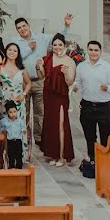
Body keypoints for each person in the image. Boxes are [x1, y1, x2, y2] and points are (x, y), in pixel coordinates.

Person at [9, 13, 72, 145]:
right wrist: (28, 48)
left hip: (39, 81)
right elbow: (15, 57)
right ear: (17, 30)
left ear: (28, 25)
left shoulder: (41, 37)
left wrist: (66, 25)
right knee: (23, 111)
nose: (22, 29)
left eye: (24, 26)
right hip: (22, 82)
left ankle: (39, 138)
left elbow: (58, 39)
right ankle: (24, 137)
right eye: (19, 27)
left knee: (40, 111)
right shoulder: (15, 42)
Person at [75, 40, 110, 166]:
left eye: (96, 50)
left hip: (104, 107)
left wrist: (108, 88)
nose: (93, 52)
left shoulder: (107, 68)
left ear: (100, 52)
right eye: (91, 50)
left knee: (106, 138)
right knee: (90, 137)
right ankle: (93, 163)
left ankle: (106, 164)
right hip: (87, 106)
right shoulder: (81, 66)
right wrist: (75, 87)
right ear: (87, 50)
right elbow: (77, 82)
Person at [37, 34, 76, 166]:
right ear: (52, 46)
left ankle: (62, 156)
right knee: (50, 123)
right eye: (55, 45)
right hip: (48, 94)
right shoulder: (47, 58)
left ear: (64, 46)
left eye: (60, 45)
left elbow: (70, 82)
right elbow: (42, 76)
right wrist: (39, 67)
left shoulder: (69, 61)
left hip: (61, 96)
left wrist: (65, 73)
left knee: (61, 123)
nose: (57, 47)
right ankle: (52, 154)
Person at [0, 42, 31, 163]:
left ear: (18, 53)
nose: (12, 52)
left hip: (18, 103)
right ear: (6, 51)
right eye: (10, 50)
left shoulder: (22, 68)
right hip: (4, 101)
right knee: (5, 128)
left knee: (18, 128)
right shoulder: (0, 66)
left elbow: (28, 83)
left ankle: (20, 156)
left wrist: (24, 94)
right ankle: (5, 156)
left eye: (15, 51)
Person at [1, 101, 26, 169]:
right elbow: (2, 129)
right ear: (7, 113)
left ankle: (19, 168)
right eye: (10, 112)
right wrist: (3, 131)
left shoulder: (20, 121)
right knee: (10, 155)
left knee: (19, 155)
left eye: (14, 111)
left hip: (18, 140)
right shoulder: (4, 121)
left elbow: (23, 128)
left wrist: (24, 131)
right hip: (9, 141)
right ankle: (11, 167)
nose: (13, 114)